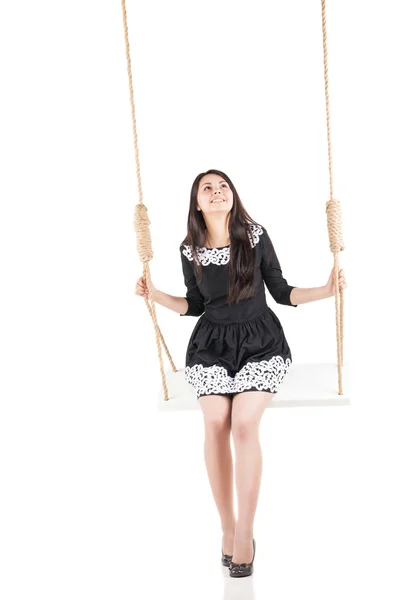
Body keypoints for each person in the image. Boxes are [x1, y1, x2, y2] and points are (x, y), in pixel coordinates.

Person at [135, 169, 347, 577]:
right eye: (207, 189)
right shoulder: (189, 249)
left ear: (233, 196)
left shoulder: (254, 235)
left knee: (244, 423)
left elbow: (281, 291)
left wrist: (326, 290)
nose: (217, 193)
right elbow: (195, 305)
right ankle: (226, 527)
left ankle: (246, 531)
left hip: (260, 344)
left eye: (223, 186)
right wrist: (155, 294)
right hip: (211, 347)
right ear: (197, 203)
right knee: (216, 421)